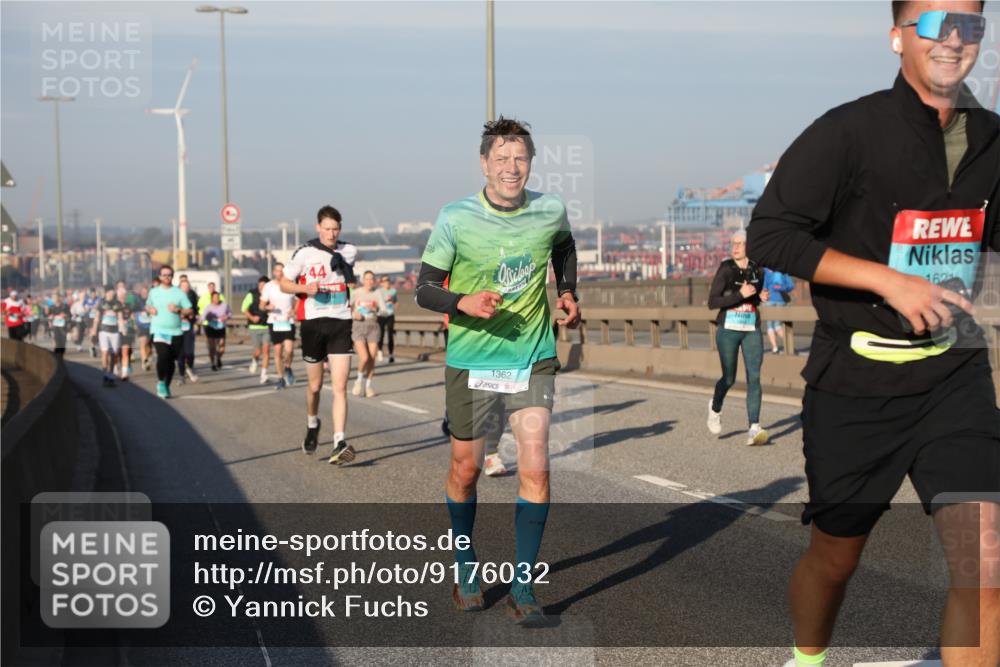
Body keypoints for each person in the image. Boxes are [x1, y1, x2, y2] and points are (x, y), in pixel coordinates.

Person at [746, 4, 999, 666]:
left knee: (986, 566)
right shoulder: (846, 133)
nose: (952, 39)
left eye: (968, 24)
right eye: (934, 23)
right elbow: (770, 234)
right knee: (836, 557)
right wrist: (887, 281)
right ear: (897, 38)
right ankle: (807, 657)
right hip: (855, 382)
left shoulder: (994, 140)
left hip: (954, 374)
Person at [415, 116, 580, 623]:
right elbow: (424, 288)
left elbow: (564, 247)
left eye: (520, 159)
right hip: (471, 362)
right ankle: (466, 565)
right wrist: (462, 300)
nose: (512, 168)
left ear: (531, 163)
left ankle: (523, 587)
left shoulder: (550, 209)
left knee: (535, 463)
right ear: (484, 163)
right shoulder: (455, 217)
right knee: (466, 470)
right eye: (502, 159)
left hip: (532, 356)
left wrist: (568, 291)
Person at [279, 205, 358, 464]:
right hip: (313, 322)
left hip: (340, 322)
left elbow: (350, 283)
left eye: (335, 229)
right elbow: (283, 283)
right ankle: (313, 423)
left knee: (340, 387)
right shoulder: (305, 252)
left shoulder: (349, 251)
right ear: (318, 227)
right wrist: (305, 287)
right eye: (327, 229)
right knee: (314, 386)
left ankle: (339, 441)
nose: (331, 234)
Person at [706, 231, 769, 446]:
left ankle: (754, 427)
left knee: (754, 376)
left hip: (751, 328)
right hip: (728, 329)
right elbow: (713, 302)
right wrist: (739, 296)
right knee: (729, 378)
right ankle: (715, 407)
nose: (736, 248)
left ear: (749, 247)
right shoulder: (725, 269)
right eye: (733, 244)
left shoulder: (758, 269)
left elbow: (756, 296)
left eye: (741, 244)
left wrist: (760, 297)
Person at [146, 265, 193, 398]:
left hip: (176, 332)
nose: (166, 277)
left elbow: (189, 310)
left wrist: (178, 310)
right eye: (164, 275)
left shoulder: (179, 293)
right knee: (163, 356)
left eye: (169, 275)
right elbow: (147, 305)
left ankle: (166, 385)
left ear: (172, 277)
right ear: (160, 276)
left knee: (171, 361)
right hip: (158, 330)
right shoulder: (153, 292)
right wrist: (150, 310)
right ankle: (161, 381)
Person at [351, 270, 387, 398]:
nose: (370, 281)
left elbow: (384, 311)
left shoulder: (377, 293)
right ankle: (358, 381)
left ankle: (368, 387)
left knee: (372, 359)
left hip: (373, 326)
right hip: (358, 326)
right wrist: (353, 314)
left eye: (372, 279)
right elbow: (346, 307)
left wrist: (376, 310)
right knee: (364, 357)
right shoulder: (356, 293)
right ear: (362, 280)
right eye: (367, 279)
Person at [261, 262, 297, 389]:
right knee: (277, 352)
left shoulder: (290, 284)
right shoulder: (268, 286)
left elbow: (296, 301)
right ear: (273, 272)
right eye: (277, 270)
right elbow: (261, 305)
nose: (279, 273)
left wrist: (293, 311)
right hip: (275, 321)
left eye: (282, 270)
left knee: (289, 350)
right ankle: (280, 378)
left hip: (288, 321)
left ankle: (287, 367)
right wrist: (267, 307)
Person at [90, 286, 126, 387]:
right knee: (105, 352)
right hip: (103, 331)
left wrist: (123, 329)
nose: (111, 294)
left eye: (112, 292)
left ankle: (111, 374)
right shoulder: (101, 303)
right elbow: (96, 318)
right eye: (109, 292)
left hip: (114, 332)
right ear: (105, 293)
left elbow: (120, 318)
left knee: (114, 354)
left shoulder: (117, 304)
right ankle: (105, 375)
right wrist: (94, 331)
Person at [242, 275, 271, 384]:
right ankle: (254, 360)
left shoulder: (270, 294)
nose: (262, 287)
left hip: (267, 326)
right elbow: (243, 308)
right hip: (254, 327)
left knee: (266, 350)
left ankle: (264, 374)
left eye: (264, 286)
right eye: (260, 285)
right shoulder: (251, 294)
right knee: (257, 351)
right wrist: (252, 317)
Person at [762, 266, 795, 353]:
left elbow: (764, 286)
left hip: (769, 299)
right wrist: (782, 288)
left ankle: (775, 348)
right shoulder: (783, 270)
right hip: (781, 300)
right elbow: (791, 285)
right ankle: (790, 346)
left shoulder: (766, 270)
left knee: (770, 325)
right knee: (778, 325)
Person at [198, 291, 231, 371]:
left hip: (221, 327)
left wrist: (226, 317)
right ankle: (213, 363)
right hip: (211, 327)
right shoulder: (208, 307)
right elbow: (203, 317)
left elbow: (230, 314)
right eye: (215, 297)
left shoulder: (224, 305)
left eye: (218, 297)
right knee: (212, 347)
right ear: (212, 298)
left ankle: (218, 358)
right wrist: (202, 320)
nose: (216, 299)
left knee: (222, 346)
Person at [176, 275, 199, 383]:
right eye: (183, 286)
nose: (186, 288)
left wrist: (192, 315)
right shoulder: (175, 298)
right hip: (177, 328)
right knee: (180, 353)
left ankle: (190, 367)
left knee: (189, 352)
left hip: (188, 327)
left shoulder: (192, 296)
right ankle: (181, 376)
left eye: (187, 286)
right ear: (179, 288)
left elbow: (195, 310)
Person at [376, 275, 398, 363]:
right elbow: (376, 304)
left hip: (390, 315)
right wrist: (384, 301)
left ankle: (391, 354)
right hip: (381, 315)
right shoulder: (378, 292)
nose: (387, 282)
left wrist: (393, 302)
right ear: (381, 283)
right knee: (381, 335)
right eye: (384, 281)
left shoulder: (393, 291)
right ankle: (380, 352)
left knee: (390, 335)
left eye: (388, 280)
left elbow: (396, 303)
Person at [135, 285, 153, 372]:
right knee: (143, 343)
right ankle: (144, 360)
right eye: (143, 292)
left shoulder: (152, 302)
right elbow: (133, 313)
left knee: (149, 346)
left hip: (151, 326)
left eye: (146, 293)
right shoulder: (138, 302)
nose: (144, 294)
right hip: (141, 326)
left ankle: (148, 356)